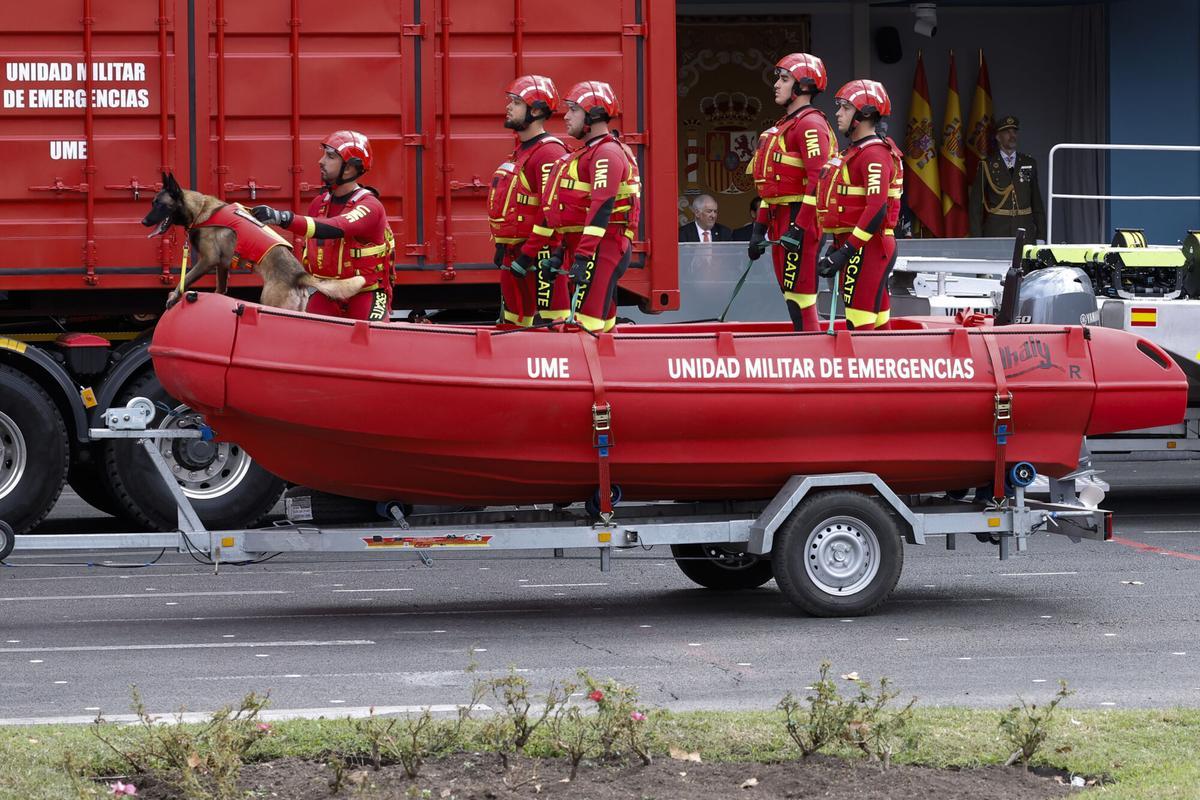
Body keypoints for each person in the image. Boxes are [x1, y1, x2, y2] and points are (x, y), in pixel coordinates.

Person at [252, 131, 395, 321]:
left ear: (350, 168)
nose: (321, 161)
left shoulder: (371, 206)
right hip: (327, 293)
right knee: (308, 339)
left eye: (330, 156)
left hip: (366, 294)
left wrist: (283, 218)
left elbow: (338, 226)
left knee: (369, 341)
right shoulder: (319, 204)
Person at [538, 81, 641, 333]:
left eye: (573, 109)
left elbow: (602, 208)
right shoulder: (588, 152)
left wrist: (582, 257)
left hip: (601, 249)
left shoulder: (606, 153)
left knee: (584, 328)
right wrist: (561, 253)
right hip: (588, 249)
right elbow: (574, 214)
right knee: (602, 327)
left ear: (593, 115)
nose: (566, 116)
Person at [746, 53, 836, 331]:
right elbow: (770, 187)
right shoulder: (787, 125)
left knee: (801, 296)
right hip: (780, 216)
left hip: (799, 218)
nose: (776, 84)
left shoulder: (810, 125)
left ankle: (812, 354)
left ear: (804, 86)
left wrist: (799, 227)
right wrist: (758, 228)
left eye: (784, 79)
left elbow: (817, 181)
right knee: (791, 294)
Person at [816, 79, 904, 330]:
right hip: (861, 246)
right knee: (877, 324)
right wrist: (839, 246)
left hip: (869, 247)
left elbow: (876, 209)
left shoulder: (874, 154)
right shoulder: (858, 152)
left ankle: (867, 369)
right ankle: (887, 368)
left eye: (845, 107)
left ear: (864, 114)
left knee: (860, 325)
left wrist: (846, 252)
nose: (837, 113)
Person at [487, 75, 569, 326]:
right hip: (516, 253)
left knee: (552, 324)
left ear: (535, 110)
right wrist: (503, 246)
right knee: (513, 322)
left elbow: (550, 211)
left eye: (516, 102)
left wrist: (529, 255)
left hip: (541, 254)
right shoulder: (522, 150)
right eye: (509, 101)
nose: (508, 106)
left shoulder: (548, 152)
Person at [968, 115, 1046, 241]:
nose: (1012, 135)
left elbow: (1037, 202)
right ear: (998, 137)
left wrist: (1041, 236)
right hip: (997, 230)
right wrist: (977, 239)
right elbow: (975, 206)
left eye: (1014, 132)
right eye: (1007, 132)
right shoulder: (987, 165)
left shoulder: (1028, 162)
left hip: (1025, 228)